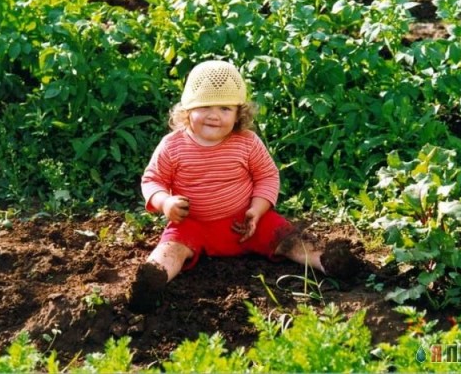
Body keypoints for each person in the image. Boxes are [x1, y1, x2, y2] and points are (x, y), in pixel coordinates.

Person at [127, 60, 362, 313]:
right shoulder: (172, 146)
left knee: (287, 238)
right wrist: (165, 202)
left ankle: (329, 261)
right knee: (171, 249)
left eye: (225, 108)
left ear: (239, 114)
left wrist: (257, 210)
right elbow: (152, 180)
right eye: (204, 106)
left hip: (246, 223)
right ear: (187, 109)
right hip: (193, 224)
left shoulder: (247, 142)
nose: (214, 115)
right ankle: (151, 281)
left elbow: (267, 176)